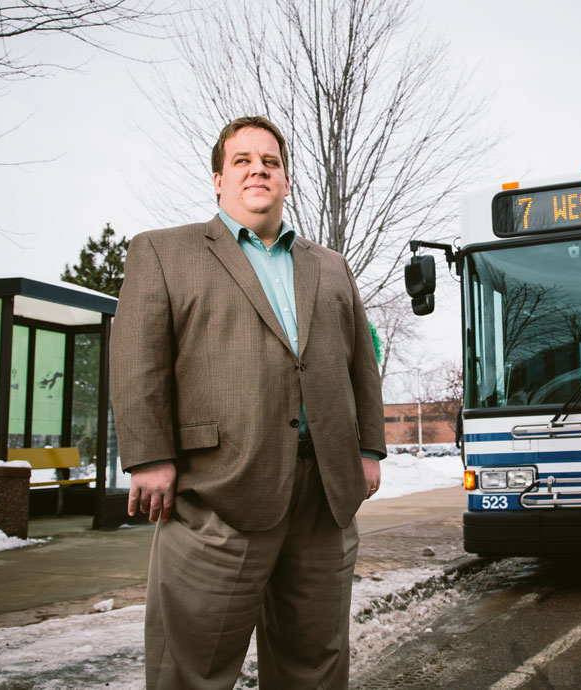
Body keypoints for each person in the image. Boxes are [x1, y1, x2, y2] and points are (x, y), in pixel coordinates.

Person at [110, 115, 386, 690]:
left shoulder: (330, 265)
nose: (259, 169)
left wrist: (369, 447)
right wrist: (148, 456)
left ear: (286, 181)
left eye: (272, 161)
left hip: (324, 495)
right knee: (193, 671)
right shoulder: (163, 252)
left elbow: (360, 362)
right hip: (217, 491)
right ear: (217, 179)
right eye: (243, 160)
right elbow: (139, 360)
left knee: (315, 665)